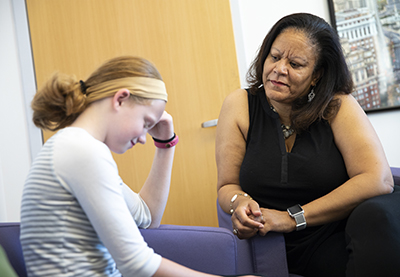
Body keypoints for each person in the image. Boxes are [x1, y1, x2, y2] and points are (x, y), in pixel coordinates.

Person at [20, 56, 259, 277]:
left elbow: (147, 216)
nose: (144, 137)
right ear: (121, 99)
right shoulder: (82, 152)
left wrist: (166, 143)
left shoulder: (75, 147)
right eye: (146, 123)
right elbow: (136, 263)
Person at [216, 13, 400, 277]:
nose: (280, 69)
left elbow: (378, 180)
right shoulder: (239, 105)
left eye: (296, 63)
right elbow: (227, 186)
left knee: (374, 218)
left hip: (345, 230)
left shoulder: (338, 105)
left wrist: (292, 218)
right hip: (280, 242)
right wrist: (240, 203)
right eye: (275, 56)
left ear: (317, 75)